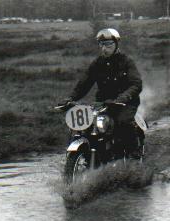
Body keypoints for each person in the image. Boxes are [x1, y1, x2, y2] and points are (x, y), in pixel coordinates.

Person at [58, 28, 144, 159]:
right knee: (87, 129)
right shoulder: (97, 63)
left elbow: (136, 84)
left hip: (125, 103)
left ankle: (134, 155)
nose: (105, 48)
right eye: (102, 44)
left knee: (123, 122)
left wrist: (123, 97)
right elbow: (84, 84)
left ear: (116, 44)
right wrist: (70, 98)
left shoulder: (126, 62)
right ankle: (93, 155)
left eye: (108, 44)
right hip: (102, 103)